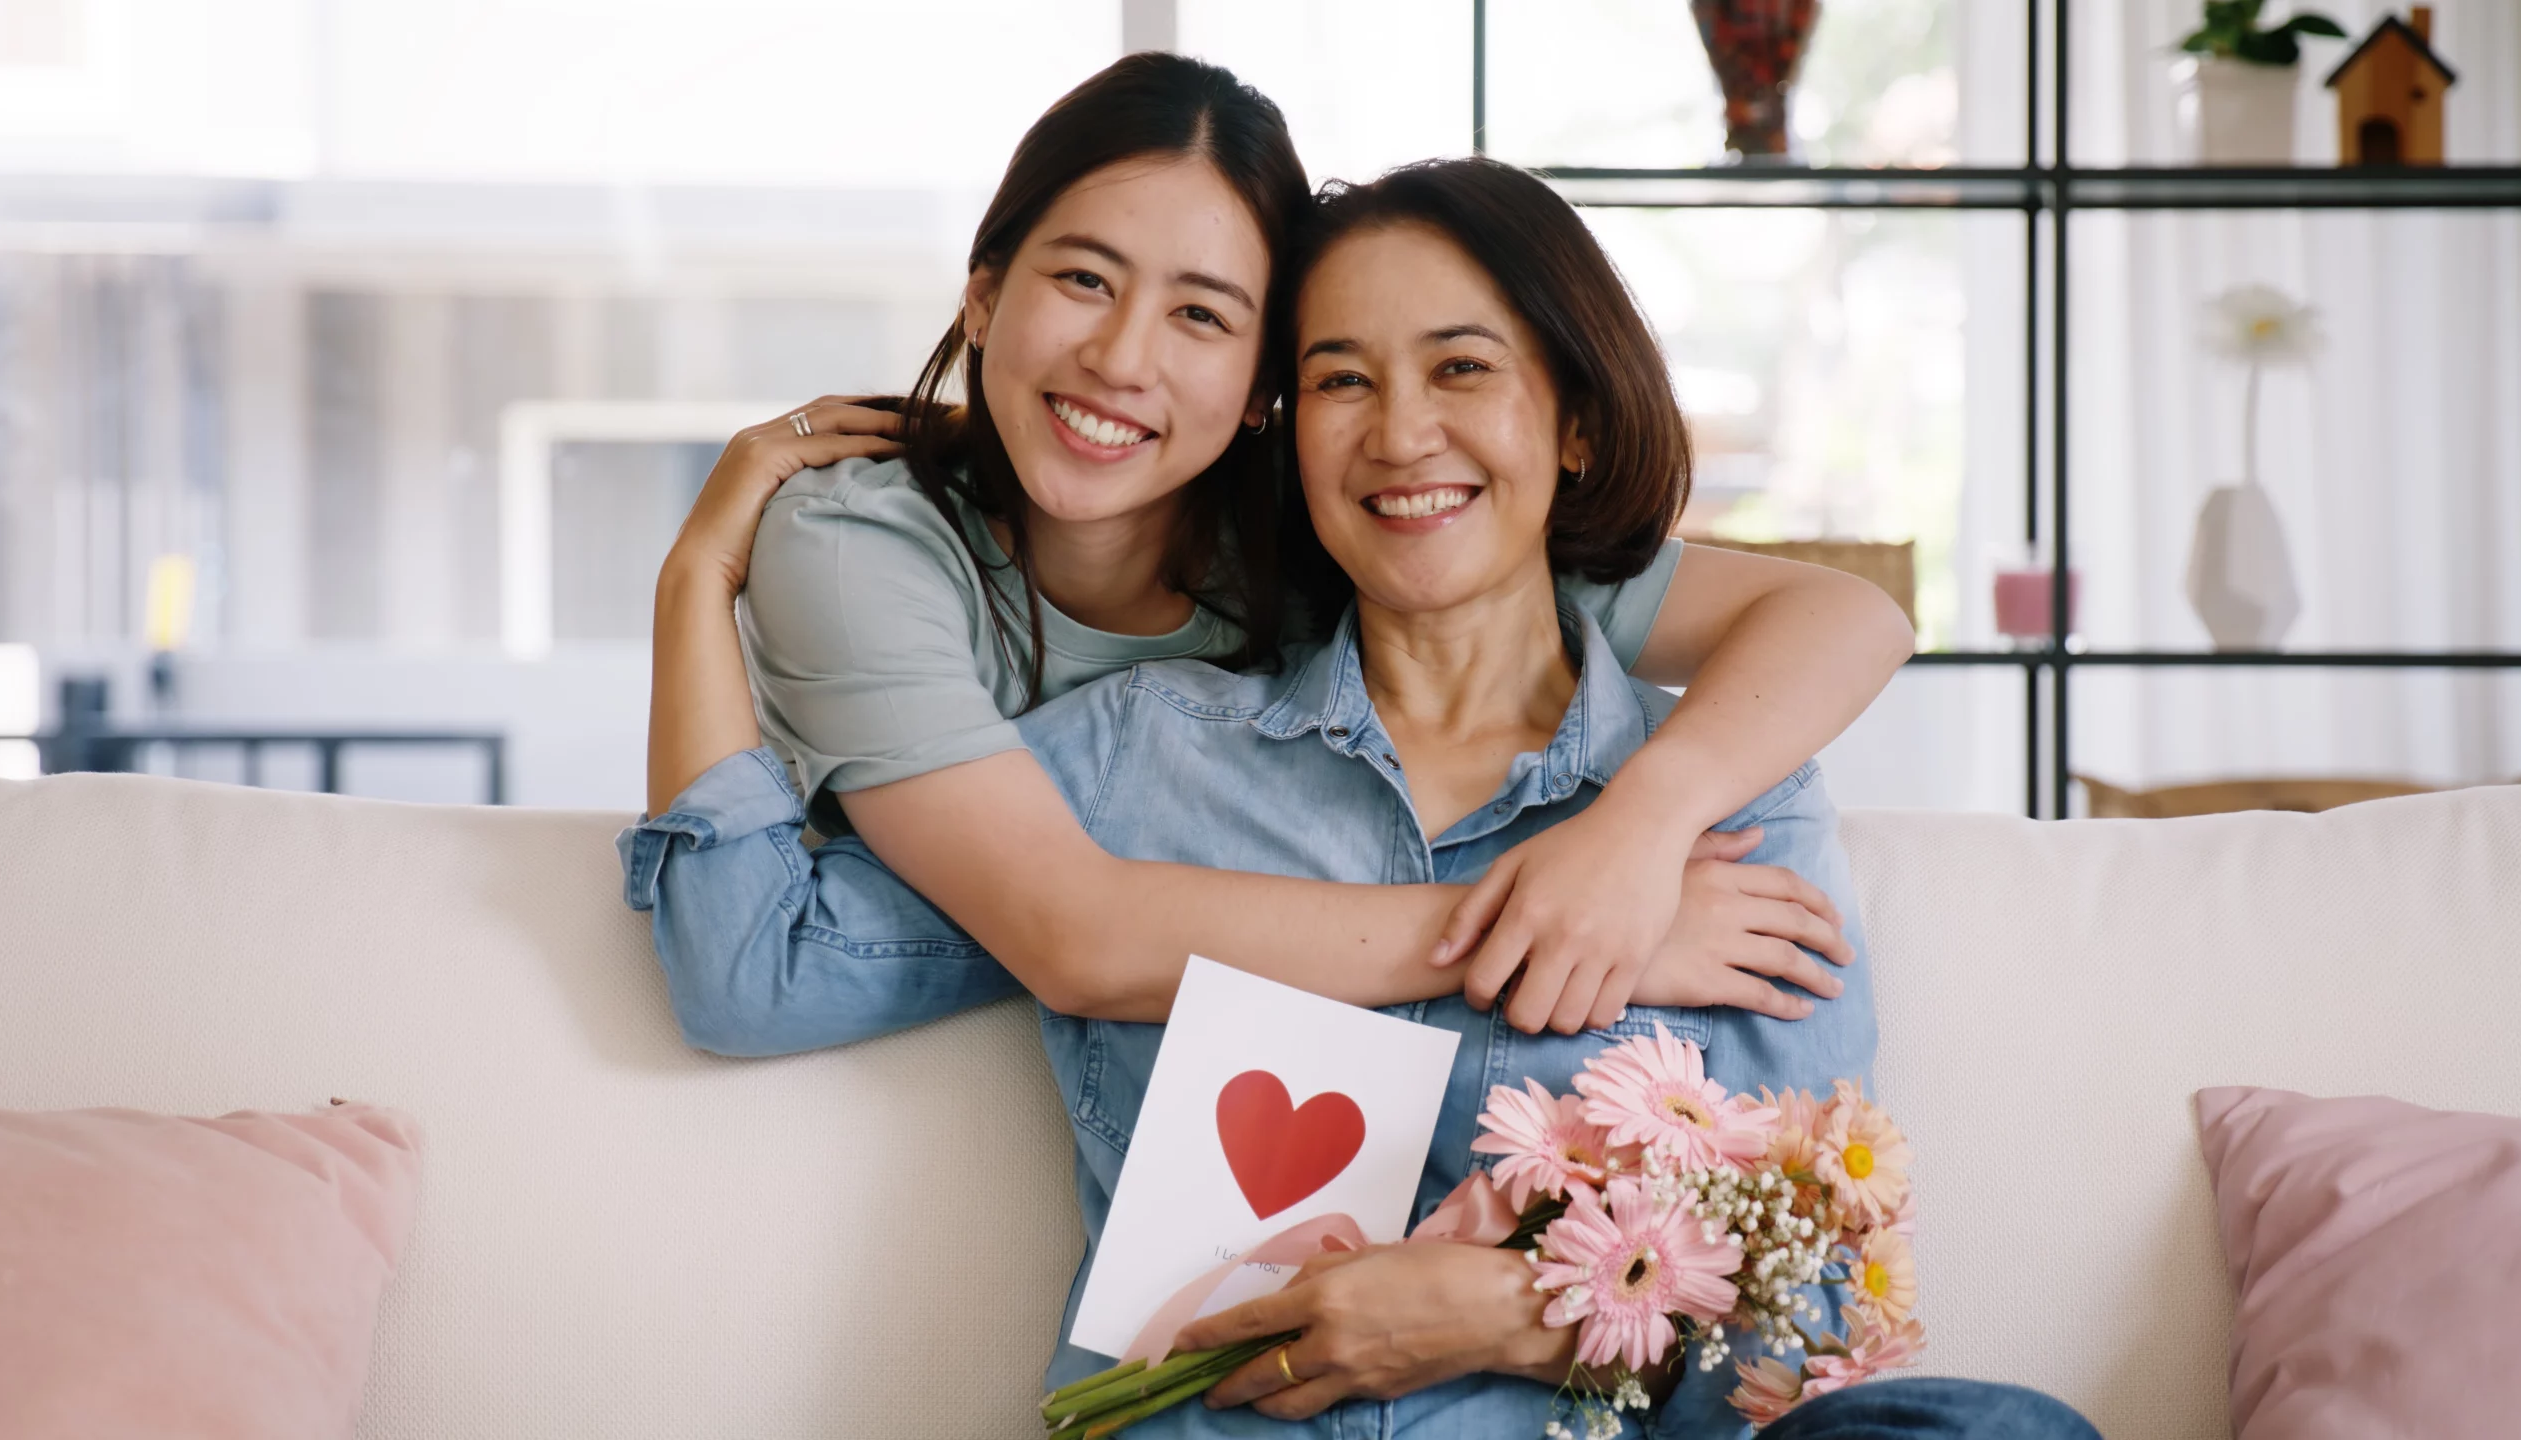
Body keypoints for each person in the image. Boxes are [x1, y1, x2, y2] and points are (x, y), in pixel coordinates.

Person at [622, 156, 2098, 1440]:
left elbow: (1813, 1313)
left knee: (1993, 1430)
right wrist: (696, 579)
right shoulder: (1137, 762)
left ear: (1573, 425)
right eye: (1342, 380)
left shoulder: (1734, 804)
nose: (1400, 435)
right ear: (1284, 429)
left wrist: (1517, 1312)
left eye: (1462, 368)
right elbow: (762, 970)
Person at [641, 51, 1915, 1040]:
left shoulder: (1343, 511)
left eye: (1202, 314)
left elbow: (1847, 618)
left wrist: (1633, 836)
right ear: (984, 294)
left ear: (1263, 384)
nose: (1122, 358)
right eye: (1083, 279)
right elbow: (1052, 938)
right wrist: (697, 574)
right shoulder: (865, 543)